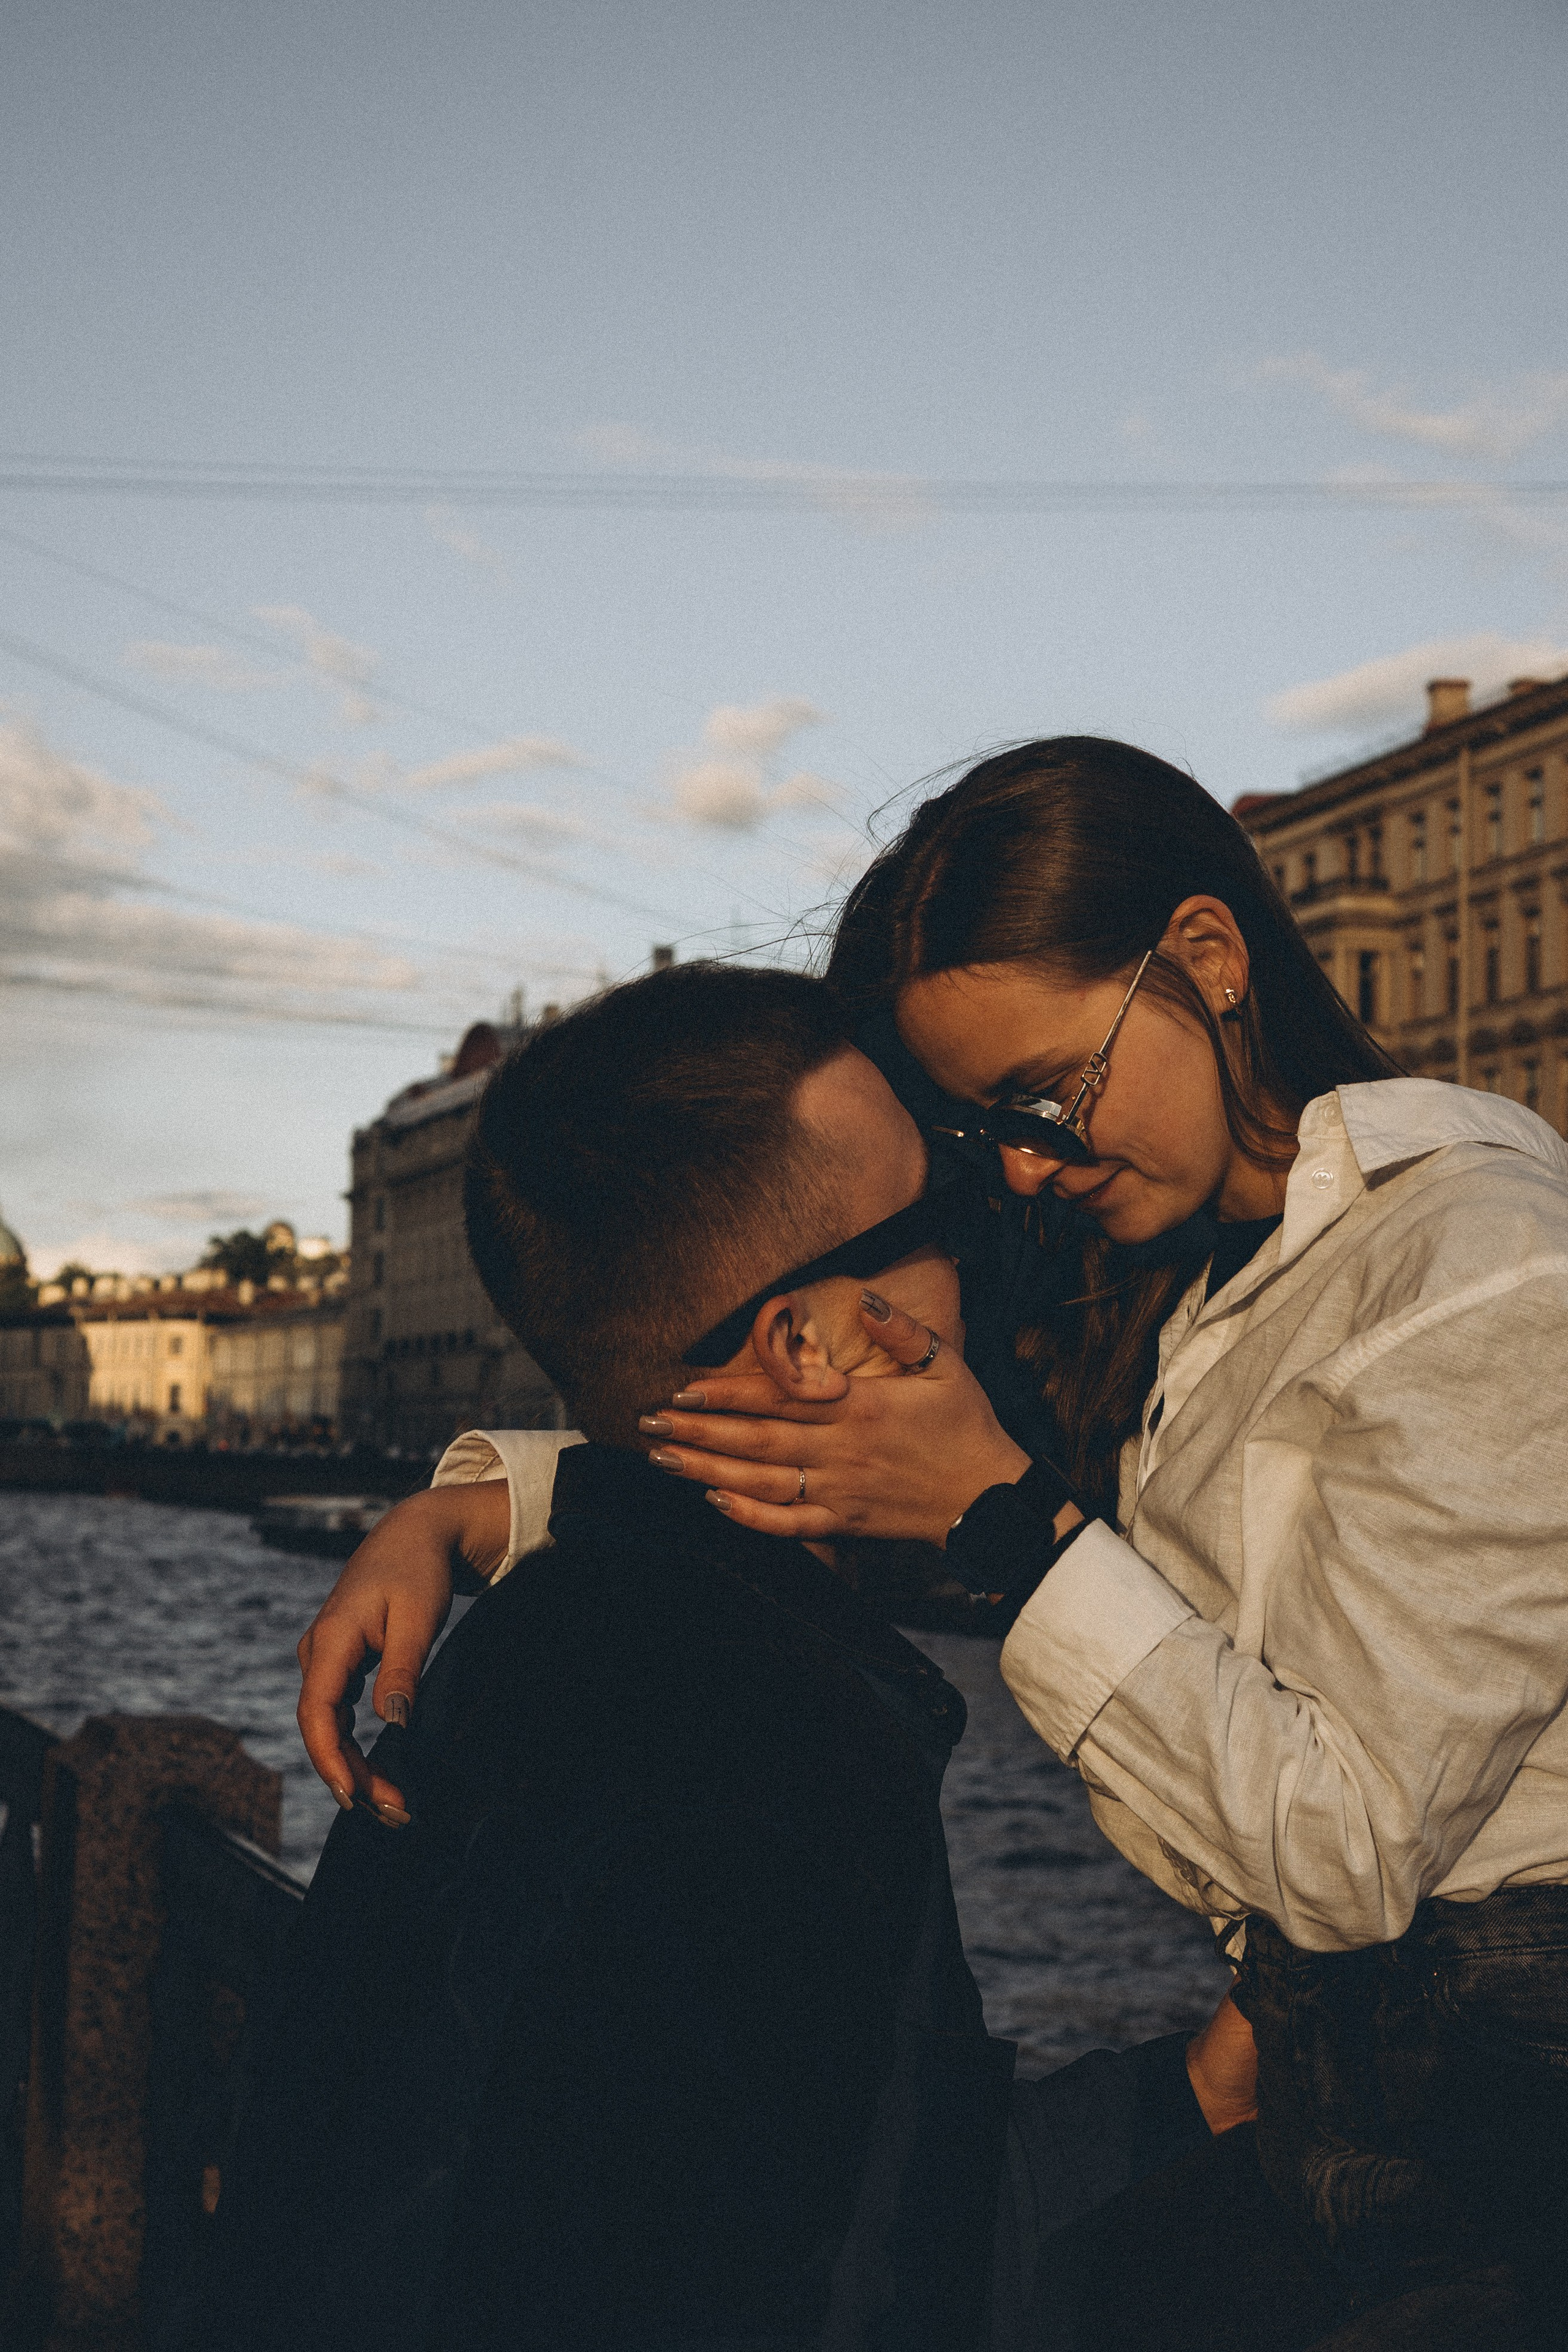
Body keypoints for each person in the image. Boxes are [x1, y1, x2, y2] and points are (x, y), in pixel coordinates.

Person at [301, 738, 1568, 2347]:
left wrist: (1017, 1525)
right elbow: (882, 1473)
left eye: (1049, 1092)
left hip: (1510, 2137)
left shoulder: (1478, 1269)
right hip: (1349, 2102)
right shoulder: (1177, 1268)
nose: (1030, 1163)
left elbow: (1342, 1850)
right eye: (990, 1131)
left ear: (1209, 959)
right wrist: (482, 1505)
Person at [217, 959, 1241, 2352]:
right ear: (812, 1340)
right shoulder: (763, 1749)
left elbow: (796, 2203)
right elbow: (822, 2297)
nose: (1001, 1214)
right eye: (942, 1205)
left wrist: (1184, 2095)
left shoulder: (557, 1641)